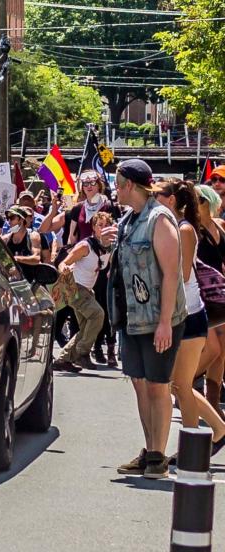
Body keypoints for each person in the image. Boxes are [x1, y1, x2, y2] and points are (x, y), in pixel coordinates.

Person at [110, 159, 187, 479]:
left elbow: (171, 274)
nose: (115, 189)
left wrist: (166, 322)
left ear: (130, 184)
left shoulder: (159, 219)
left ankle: (158, 457)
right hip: (131, 318)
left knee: (158, 386)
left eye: (118, 183)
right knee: (141, 386)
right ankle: (150, 449)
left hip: (159, 319)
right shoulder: (129, 220)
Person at [154, 178, 225, 460]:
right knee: (179, 385)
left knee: (179, 384)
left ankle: (197, 446)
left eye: (157, 194)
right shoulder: (177, 226)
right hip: (185, 314)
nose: (153, 198)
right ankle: (212, 434)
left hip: (188, 314)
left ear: (171, 200)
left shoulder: (183, 229)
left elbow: (182, 276)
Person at [41, 171, 123, 366]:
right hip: (79, 270)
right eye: (84, 183)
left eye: (92, 182)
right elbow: (46, 229)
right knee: (96, 315)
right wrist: (53, 208)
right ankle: (82, 353)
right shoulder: (78, 210)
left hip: (97, 274)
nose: (88, 186)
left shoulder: (111, 207)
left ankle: (66, 358)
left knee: (93, 319)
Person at [52, 212, 112, 373]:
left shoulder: (108, 247)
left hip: (87, 290)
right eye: (100, 225)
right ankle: (82, 353)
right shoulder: (86, 246)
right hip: (74, 288)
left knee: (86, 327)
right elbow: (64, 262)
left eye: (106, 226)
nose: (103, 229)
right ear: (93, 228)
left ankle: (62, 360)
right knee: (98, 315)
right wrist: (64, 268)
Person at [192, 183, 225, 417]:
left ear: (209, 202)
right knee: (212, 349)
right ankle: (183, 384)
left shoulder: (220, 226)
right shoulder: (191, 230)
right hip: (200, 295)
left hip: (220, 295)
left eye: (199, 200)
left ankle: (212, 402)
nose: (195, 205)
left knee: (223, 352)